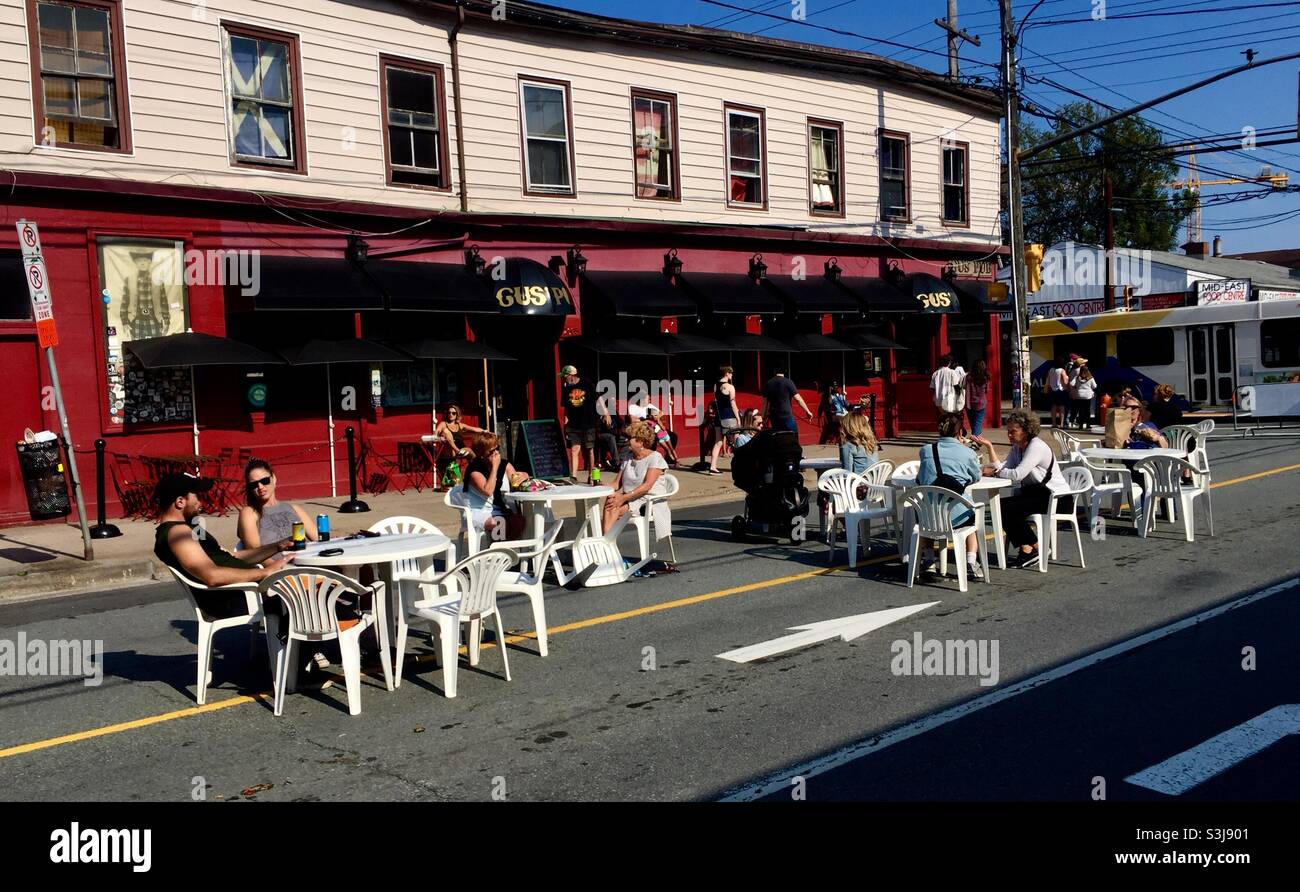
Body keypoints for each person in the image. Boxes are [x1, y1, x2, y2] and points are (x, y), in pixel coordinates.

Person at [154, 473, 296, 615]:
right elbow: (212, 576)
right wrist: (266, 572)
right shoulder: (178, 533)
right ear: (180, 502)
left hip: (244, 590)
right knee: (305, 590)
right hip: (237, 597)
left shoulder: (188, 527)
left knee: (307, 584)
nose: (200, 503)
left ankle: (291, 635)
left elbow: (228, 557)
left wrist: (278, 546)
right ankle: (296, 636)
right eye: (197, 496)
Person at [973, 408, 1068, 569]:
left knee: (1007, 510)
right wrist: (990, 448)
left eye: (1013, 431)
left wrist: (995, 472)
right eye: (1008, 431)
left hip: (1057, 497)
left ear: (1026, 430)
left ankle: (1031, 549)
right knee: (1000, 507)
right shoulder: (1017, 447)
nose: (1009, 435)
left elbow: (1016, 474)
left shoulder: (1036, 446)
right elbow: (1005, 467)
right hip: (1035, 493)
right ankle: (1034, 547)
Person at [915, 412, 984, 580]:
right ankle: (971, 560)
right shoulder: (967, 453)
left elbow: (921, 480)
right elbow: (976, 477)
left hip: (930, 517)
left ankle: (929, 560)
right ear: (959, 433)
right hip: (957, 517)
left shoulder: (925, 450)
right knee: (971, 514)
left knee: (927, 511)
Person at [602, 421, 670, 535]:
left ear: (641, 441)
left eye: (630, 437)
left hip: (648, 501)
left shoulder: (655, 458)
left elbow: (646, 486)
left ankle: (606, 543)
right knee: (610, 500)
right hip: (631, 498)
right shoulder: (628, 457)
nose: (627, 440)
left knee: (614, 506)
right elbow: (616, 484)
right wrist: (600, 485)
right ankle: (606, 542)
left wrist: (623, 498)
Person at [237, 459, 319, 549]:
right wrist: (279, 563)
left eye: (265, 481)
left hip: (305, 559)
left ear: (274, 479)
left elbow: (319, 539)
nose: (260, 487)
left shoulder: (295, 509)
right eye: (254, 485)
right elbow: (255, 552)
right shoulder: (249, 513)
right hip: (279, 562)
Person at [463, 431, 528, 541]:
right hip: (478, 510)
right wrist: (495, 467)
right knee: (500, 523)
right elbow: (488, 491)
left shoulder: (504, 464)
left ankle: (503, 549)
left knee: (519, 520)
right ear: (481, 454)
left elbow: (515, 482)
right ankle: (498, 552)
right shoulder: (474, 469)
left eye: (497, 448)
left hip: (499, 508)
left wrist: (525, 476)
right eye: (491, 451)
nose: (496, 453)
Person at [561, 364, 610, 481]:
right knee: (574, 449)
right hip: (573, 424)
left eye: (565, 376)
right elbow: (566, 408)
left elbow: (598, 397)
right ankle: (573, 476)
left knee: (590, 449)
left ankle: (591, 475)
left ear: (571, 375)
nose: (563, 379)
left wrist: (606, 413)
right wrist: (565, 424)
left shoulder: (586, 383)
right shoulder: (566, 388)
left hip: (588, 422)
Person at [707, 366, 739, 475]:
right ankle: (742, 466)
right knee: (736, 441)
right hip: (729, 415)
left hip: (719, 416)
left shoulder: (716, 386)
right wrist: (738, 418)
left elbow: (716, 401)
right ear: (727, 373)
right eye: (731, 373)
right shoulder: (730, 387)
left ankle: (713, 467)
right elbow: (733, 403)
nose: (732, 375)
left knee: (718, 442)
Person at [762, 367, 814, 433]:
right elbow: (798, 399)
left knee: (778, 438)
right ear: (785, 371)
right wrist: (807, 411)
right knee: (793, 437)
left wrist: (763, 417)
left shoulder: (768, 384)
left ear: (774, 371)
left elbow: (765, 404)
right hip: (787, 415)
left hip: (774, 417)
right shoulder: (788, 382)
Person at [838, 411, 878, 475]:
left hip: (858, 482)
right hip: (875, 481)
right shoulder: (872, 443)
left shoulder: (848, 446)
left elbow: (847, 472)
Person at [930, 354, 966, 418]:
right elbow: (956, 386)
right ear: (949, 363)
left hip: (939, 402)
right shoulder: (952, 372)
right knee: (956, 418)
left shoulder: (935, 373)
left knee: (945, 417)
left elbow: (932, 388)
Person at [1068, 359, 1096, 430]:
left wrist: (1076, 387)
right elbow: (1095, 386)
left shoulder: (1077, 378)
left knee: (1081, 411)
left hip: (1079, 396)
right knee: (1087, 411)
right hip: (1087, 396)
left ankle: (1080, 425)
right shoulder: (1090, 378)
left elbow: (1071, 384)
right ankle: (1088, 425)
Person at [965, 360, 990, 436]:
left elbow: (968, 391)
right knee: (978, 423)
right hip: (981, 403)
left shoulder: (969, 377)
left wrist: (967, 404)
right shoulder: (985, 377)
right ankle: (976, 441)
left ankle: (977, 440)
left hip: (971, 403)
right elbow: (986, 391)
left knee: (973, 424)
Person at [1047, 356, 1070, 428]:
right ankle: (1062, 424)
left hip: (1052, 390)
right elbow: (1065, 382)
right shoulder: (1062, 370)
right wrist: (1067, 387)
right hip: (1060, 391)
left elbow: (1048, 380)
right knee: (1062, 408)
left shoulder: (1051, 370)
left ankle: (1054, 423)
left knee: (1053, 407)